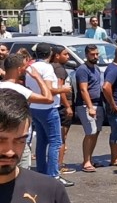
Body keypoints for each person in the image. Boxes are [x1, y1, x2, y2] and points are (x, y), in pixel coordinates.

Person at [26, 43, 69, 186]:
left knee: (42, 140)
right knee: (55, 141)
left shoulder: (31, 67)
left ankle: (42, 170)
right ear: (50, 53)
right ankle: (53, 175)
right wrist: (64, 89)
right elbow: (50, 89)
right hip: (48, 107)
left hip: (34, 106)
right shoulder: (47, 67)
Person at [74, 45, 105, 172]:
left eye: (97, 54)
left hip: (98, 103)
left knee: (96, 132)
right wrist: (90, 107)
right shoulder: (83, 70)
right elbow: (83, 89)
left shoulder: (96, 68)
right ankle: (86, 162)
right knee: (90, 132)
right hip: (86, 105)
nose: (95, 56)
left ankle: (90, 159)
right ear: (86, 55)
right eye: (92, 54)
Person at [51, 45, 76, 176]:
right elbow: (60, 91)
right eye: (65, 54)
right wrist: (67, 106)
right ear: (56, 55)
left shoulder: (51, 68)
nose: (68, 57)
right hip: (62, 107)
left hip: (55, 106)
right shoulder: (60, 69)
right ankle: (59, 165)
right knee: (61, 138)